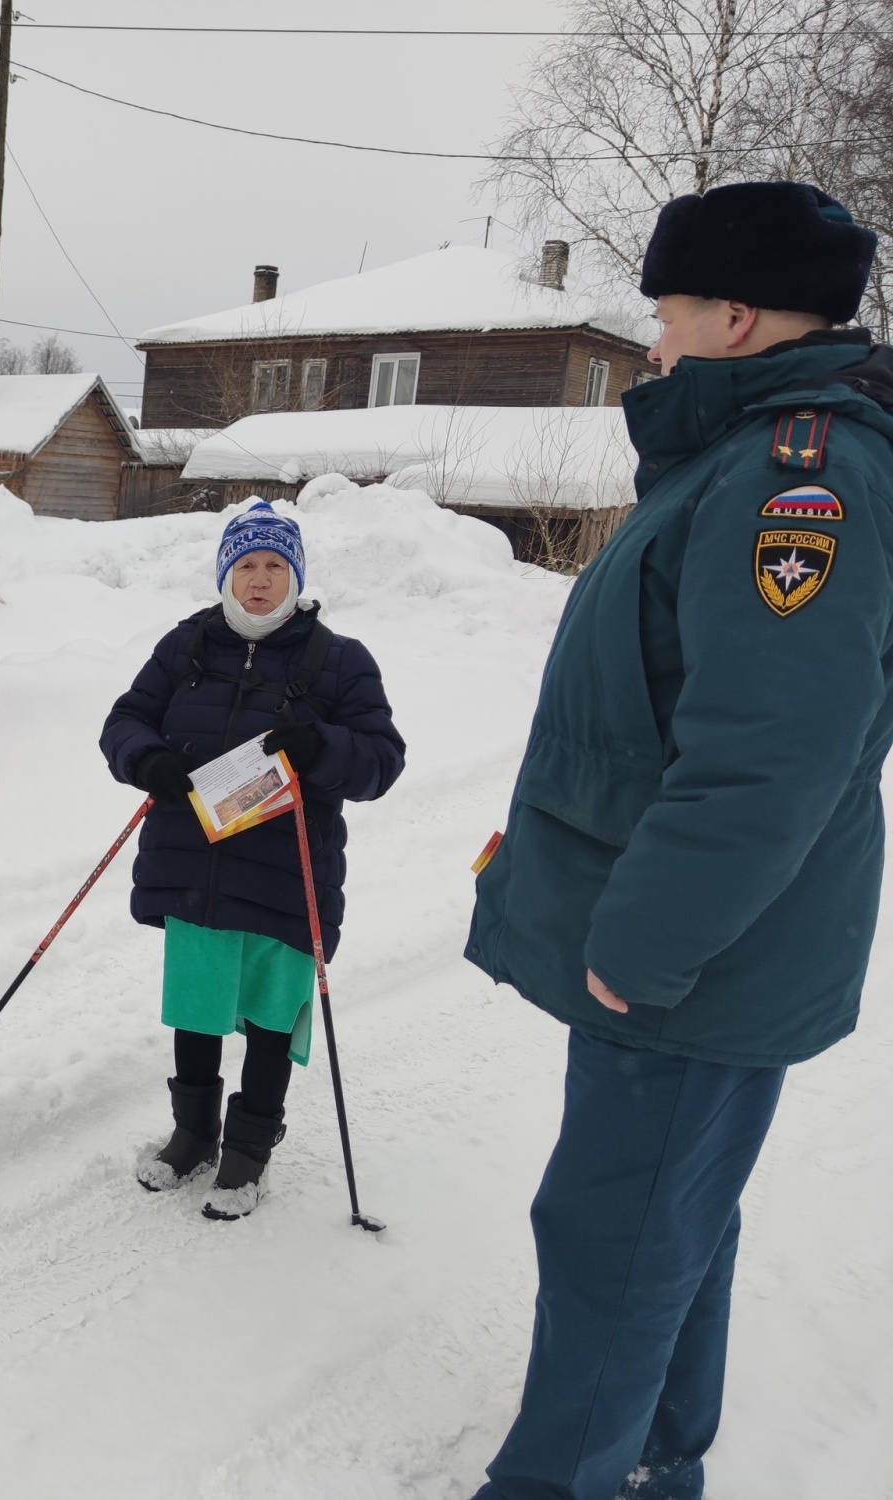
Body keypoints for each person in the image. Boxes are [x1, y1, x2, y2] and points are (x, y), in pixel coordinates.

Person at [466, 181, 888, 1500]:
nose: (652, 343)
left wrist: (646, 941)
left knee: (617, 1238)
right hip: (706, 947)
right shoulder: (745, 455)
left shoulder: (794, 477)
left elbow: (773, 747)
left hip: (693, 958)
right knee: (667, 1221)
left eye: (667, 312)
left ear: (738, 316)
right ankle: (656, 1458)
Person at [101, 502, 405, 1219]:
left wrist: (321, 750)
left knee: (272, 1013)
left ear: (295, 575)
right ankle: (194, 1135)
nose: (260, 580)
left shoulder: (339, 661)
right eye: (246, 566)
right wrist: (148, 760)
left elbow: (382, 762)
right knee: (199, 1008)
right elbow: (125, 721)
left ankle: (248, 1152)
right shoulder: (187, 647)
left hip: (285, 870)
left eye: (274, 566)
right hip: (195, 866)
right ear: (225, 574)